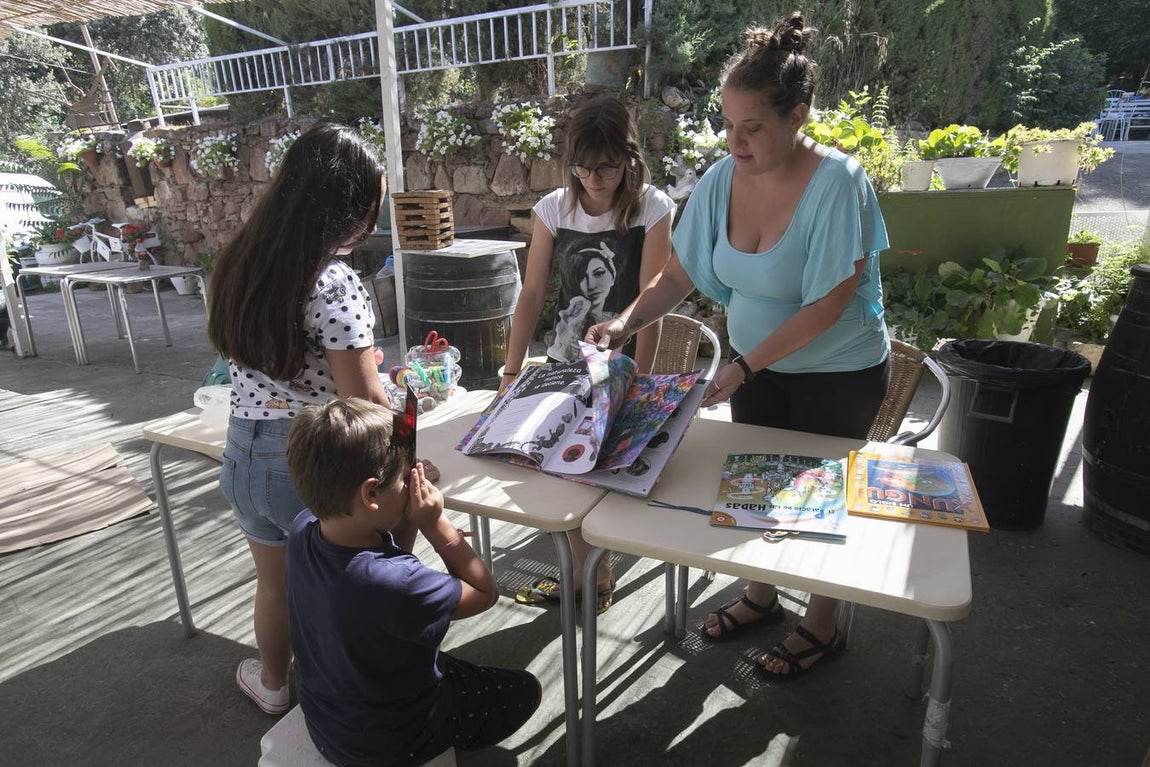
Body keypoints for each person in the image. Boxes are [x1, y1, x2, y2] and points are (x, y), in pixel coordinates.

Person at [586, 13, 891, 677]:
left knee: (815, 499)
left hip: (836, 370)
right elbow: (680, 273)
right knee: (754, 491)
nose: (735, 140)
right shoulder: (723, 178)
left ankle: (821, 621)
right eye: (727, 123)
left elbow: (829, 303)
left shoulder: (839, 184)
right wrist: (625, 323)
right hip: (758, 368)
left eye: (751, 126)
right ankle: (760, 594)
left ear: (797, 117)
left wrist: (745, 363)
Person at [207, 123, 431, 713]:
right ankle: (355, 704)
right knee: (346, 593)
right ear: (346, 207)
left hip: (242, 455)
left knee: (275, 582)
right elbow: (366, 405)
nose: (373, 219)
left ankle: (275, 686)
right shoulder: (334, 282)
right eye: (371, 206)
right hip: (311, 465)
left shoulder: (240, 262)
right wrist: (407, 445)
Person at [284, 398, 541, 766]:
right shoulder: (396, 582)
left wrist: (403, 505)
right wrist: (436, 525)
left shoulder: (303, 528)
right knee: (523, 689)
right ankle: (440, 754)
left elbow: (388, 550)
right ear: (371, 494)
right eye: (408, 476)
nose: (415, 481)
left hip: (330, 722)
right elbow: (485, 593)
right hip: (391, 741)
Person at [501, 93, 676, 613]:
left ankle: (593, 578)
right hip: (562, 362)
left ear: (629, 159)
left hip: (619, 366)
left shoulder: (653, 208)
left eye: (606, 167)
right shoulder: (555, 208)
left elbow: (652, 299)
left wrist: (639, 379)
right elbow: (532, 295)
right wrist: (512, 370)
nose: (592, 179)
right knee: (561, 475)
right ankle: (586, 575)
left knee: (598, 475)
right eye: (582, 167)